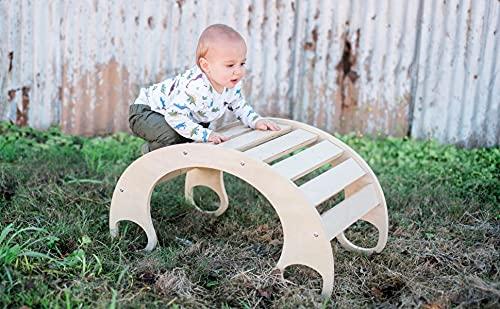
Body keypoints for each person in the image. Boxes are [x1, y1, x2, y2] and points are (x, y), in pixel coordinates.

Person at [128, 23, 280, 154]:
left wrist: (256, 121)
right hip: (147, 112)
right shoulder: (197, 88)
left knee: (195, 132)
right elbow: (174, 115)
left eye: (242, 63)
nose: (238, 71)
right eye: (230, 65)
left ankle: (180, 152)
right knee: (173, 136)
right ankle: (149, 152)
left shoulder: (231, 84)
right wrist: (206, 135)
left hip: (177, 115)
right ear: (206, 66)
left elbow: (240, 106)